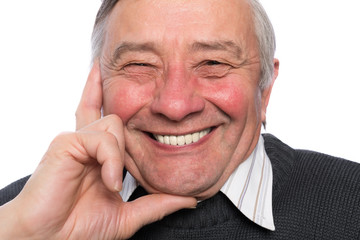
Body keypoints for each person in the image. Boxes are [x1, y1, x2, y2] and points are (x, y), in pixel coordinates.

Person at [0, 0, 359, 239]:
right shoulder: (16, 216)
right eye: (140, 65)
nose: (174, 105)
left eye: (213, 63)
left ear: (264, 88)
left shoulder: (352, 204)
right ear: (99, 85)